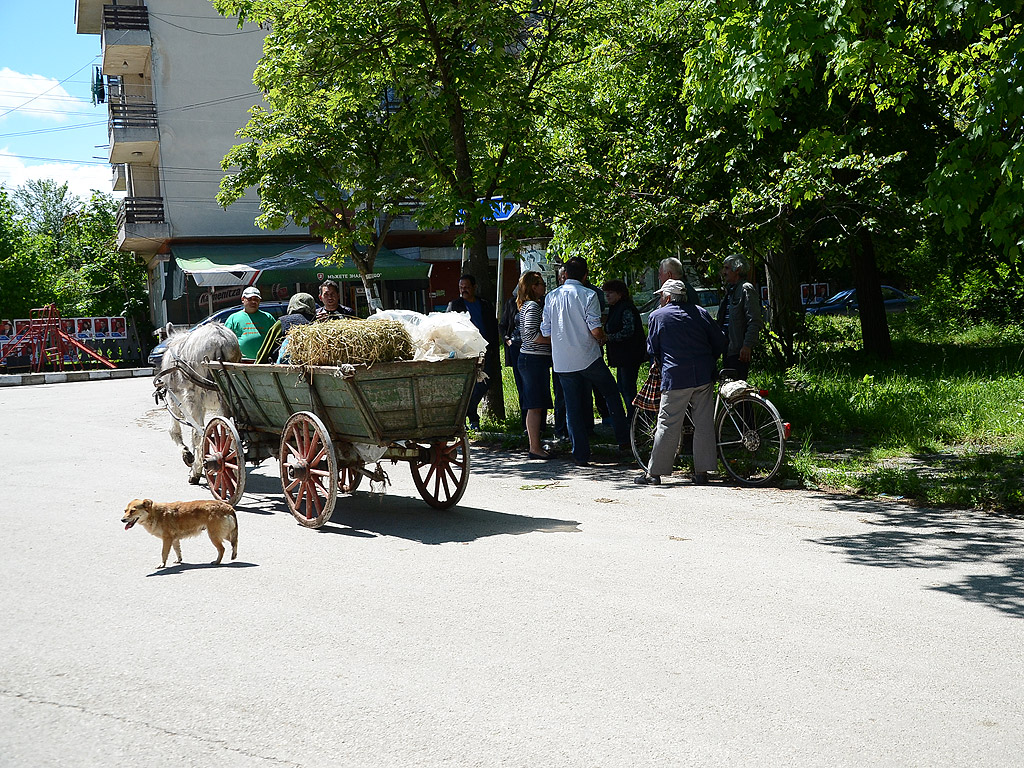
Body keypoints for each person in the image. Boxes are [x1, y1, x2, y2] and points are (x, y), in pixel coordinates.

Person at [538, 257, 630, 466]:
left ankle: (580, 454)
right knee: (611, 394)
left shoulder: (551, 297)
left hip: (562, 360)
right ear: (586, 276)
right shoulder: (589, 295)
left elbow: (546, 331)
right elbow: (595, 329)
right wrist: (602, 339)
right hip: (588, 357)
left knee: (573, 406)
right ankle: (624, 440)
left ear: (565, 274)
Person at [635, 279, 727, 486]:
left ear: (667, 297)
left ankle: (654, 473)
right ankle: (702, 473)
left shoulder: (657, 316)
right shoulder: (700, 312)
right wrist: (709, 359)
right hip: (703, 375)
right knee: (703, 423)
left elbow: (652, 348)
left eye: (661, 296)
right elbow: (720, 340)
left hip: (676, 376)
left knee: (667, 423)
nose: (660, 300)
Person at [446, 273, 500, 430]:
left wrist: (493, 350)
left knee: (484, 383)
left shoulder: (485, 305)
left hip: (484, 352)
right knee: (467, 386)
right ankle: (472, 419)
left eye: (467, 287)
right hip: (465, 353)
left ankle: (467, 411)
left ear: (474, 287)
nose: (464, 291)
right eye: (461, 288)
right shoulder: (454, 305)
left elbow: (492, 328)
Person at [515, 271, 553, 459]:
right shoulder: (533, 306)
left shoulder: (530, 305)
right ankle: (534, 448)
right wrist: (553, 341)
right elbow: (530, 335)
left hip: (532, 360)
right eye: (540, 284)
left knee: (537, 404)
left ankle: (536, 445)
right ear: (532, 286)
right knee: (535, 405)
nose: (544, 287)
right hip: (532, 360)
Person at [602, 279, 647, 421]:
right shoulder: (615, 308)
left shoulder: (626, 308)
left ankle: (634, 418)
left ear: (620, 294)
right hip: (621, 356)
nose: (607, 296)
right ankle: (631, 416)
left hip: (630, 355)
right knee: (622, 386)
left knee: (628, 388)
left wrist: (609, 337)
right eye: (606, 293)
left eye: (610, 293)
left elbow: (628, 331)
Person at [717, 253, 762, 381]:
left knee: (739, 391)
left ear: (737, 270)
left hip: (738, 351)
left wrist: (747, 345)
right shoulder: (729, 290)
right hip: (727, 348)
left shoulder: (745, 289)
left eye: (726, 268)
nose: (723, 272)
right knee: (731, 391)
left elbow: (755, 321)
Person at [253, 292, 316, 364]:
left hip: (281, 370)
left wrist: (258, 364)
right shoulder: (316, 323)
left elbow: (267, 347)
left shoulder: (283, 322)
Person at [499, 287, 526, 431]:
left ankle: (539, 425)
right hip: (516, 349)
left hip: (535, 351)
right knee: (522, 387)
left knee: (535, 389)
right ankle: (525, 424)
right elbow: (503, 326)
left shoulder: (538, 303)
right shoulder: (511, 303)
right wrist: (507, 340)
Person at [224, 287, 277, 360]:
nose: (253, 302)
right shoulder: (233, 318)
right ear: (243, 299)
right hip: (241, 362)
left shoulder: (268, 317)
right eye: (250, 299)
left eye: (256, 299)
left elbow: (277, 338)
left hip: (264, 361)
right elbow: (226, 342)